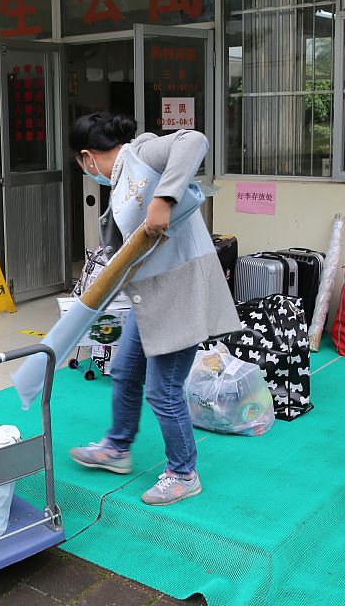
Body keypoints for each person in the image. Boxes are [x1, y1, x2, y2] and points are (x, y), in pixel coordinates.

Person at [68, 112, 240, 505]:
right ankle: (117, 448)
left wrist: (164, 199)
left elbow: (194, 140)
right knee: (126, 371)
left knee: (163, 391)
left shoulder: (142, 152)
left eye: (82, 165)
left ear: (86, 157)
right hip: (151, 297)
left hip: (181, 294)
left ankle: (183, 473)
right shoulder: (118, 182)